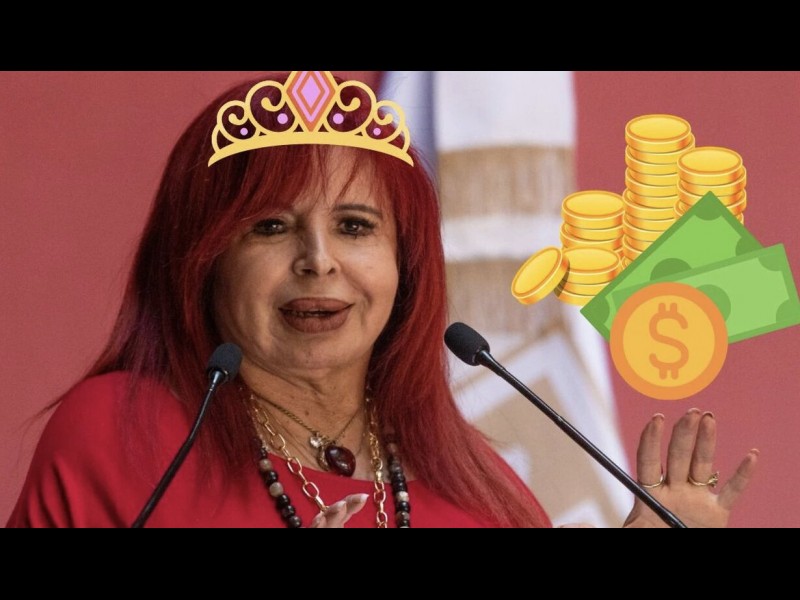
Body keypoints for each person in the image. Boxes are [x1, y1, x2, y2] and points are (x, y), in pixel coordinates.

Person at [5, 71, 758, 528]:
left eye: (355, 226)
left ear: (405, 264)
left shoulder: (480, 492)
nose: (318, 261)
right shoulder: (121, 434)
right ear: (204, 261)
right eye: (270, 227)